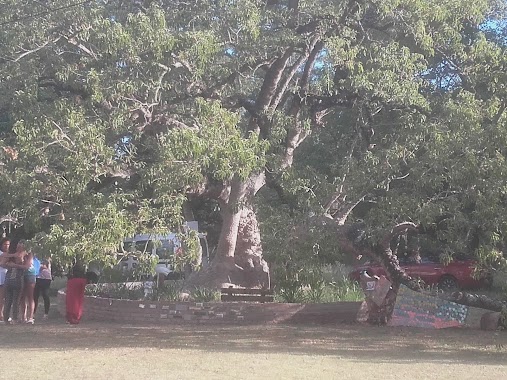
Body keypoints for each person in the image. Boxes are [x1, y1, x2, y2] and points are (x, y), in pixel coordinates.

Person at [0, 241, 27, 324]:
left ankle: (9, 319)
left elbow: (3, 263)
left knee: (13, 300)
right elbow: (2, 263)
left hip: (12, 279)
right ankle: (12, 319)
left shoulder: (18, 255)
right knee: (12, 300)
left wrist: (13, 265)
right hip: (14, 279)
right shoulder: (17, 255)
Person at [19, 245, 36, 324]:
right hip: (22, 275)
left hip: (30, 275)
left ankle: (31, 317)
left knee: (30, 296)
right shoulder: (18, 254)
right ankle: (23, 316)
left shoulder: (29, 254)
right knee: (22, 296)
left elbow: (27, 265)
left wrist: (18, 265)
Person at [0, 238, 11, 323]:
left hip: (6, 277)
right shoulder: (2, 254)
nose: (7, 246)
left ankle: (3, 313)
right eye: (5, 244)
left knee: (4, 297)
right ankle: (1, 315)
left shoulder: (9, 254)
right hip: (1, 277)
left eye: (8, 245)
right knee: (1, 297)